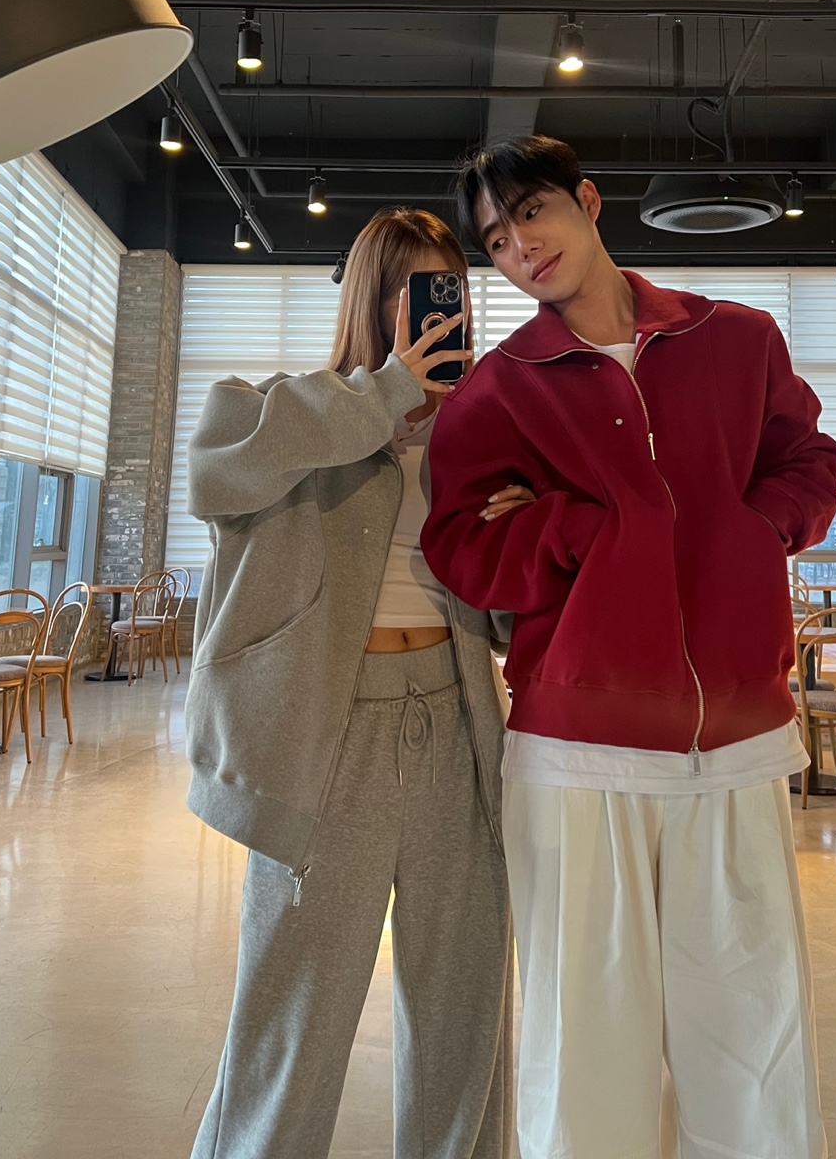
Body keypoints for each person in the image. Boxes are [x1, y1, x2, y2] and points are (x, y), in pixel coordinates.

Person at [421, 136, 836, 1159]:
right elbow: (461, 543)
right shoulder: (499, 389)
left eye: (532, 213)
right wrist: (575, 530)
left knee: (752, 1035)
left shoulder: (737, 339)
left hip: (736, 741)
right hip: (577, 753)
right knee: (584, 1046)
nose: (520, 248)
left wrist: (753, 531)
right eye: (496, 240)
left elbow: (808, 459)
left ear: (588, 201)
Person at [184, 208, 513, 1159]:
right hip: (325, 741)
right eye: (415, 289)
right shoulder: (282, 411)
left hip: (458, 727)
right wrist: (391, 391)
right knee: (294, 1018)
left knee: (464, 1022)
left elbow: (500, 613)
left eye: (450, 289)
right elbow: (213, 473)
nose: (436, 309)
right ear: (374, 298)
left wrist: (520, 523)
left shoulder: (476, 439)